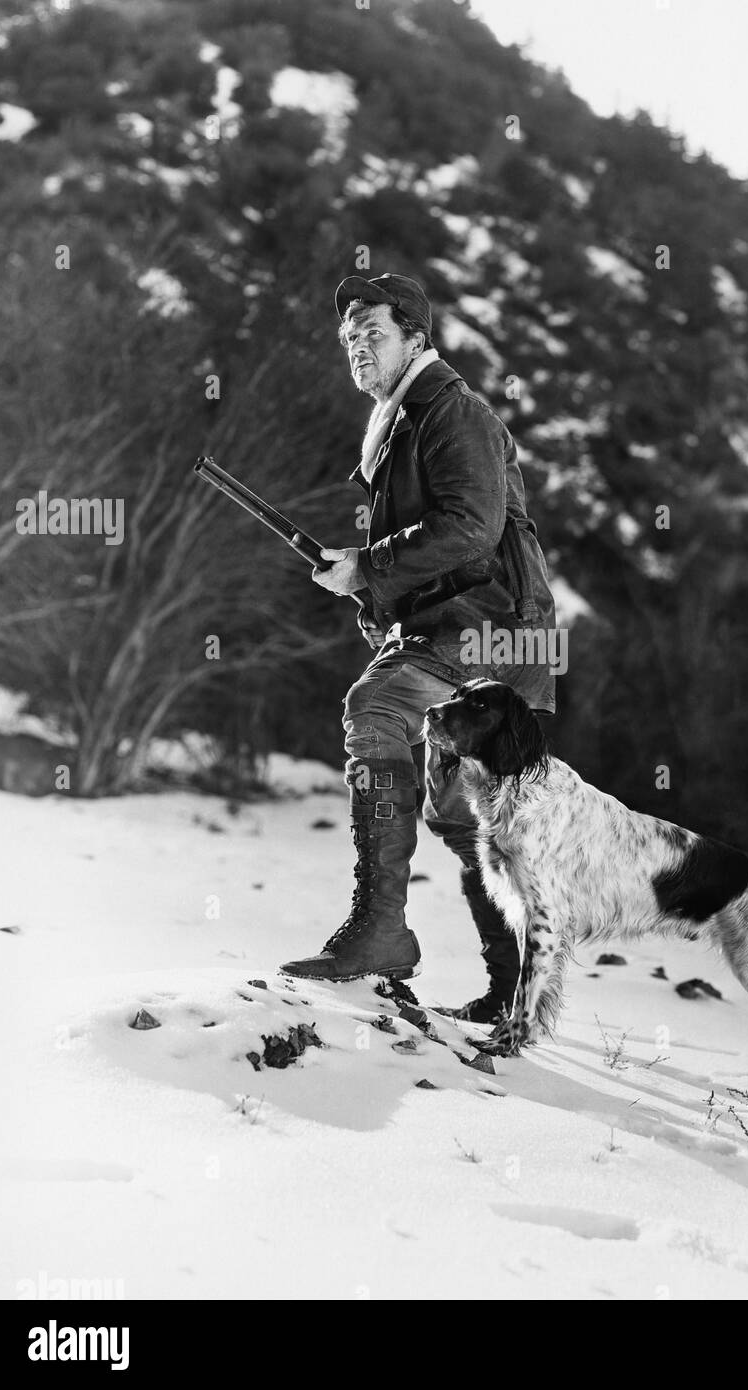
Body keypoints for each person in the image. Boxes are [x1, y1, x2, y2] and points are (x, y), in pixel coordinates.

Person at [280, 273, 556, 1023]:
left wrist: (367, 566)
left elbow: (470, 526)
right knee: (461, 814)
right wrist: (367, 589)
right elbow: (438, 553)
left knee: (375, 706)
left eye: (372, 332)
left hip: (491, 634)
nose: (357, 348)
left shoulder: (450, 410)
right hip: (477, 632)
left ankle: (380, 936)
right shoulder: (400, 424)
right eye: (348, 339)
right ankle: (513, 988)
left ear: (416, 338)